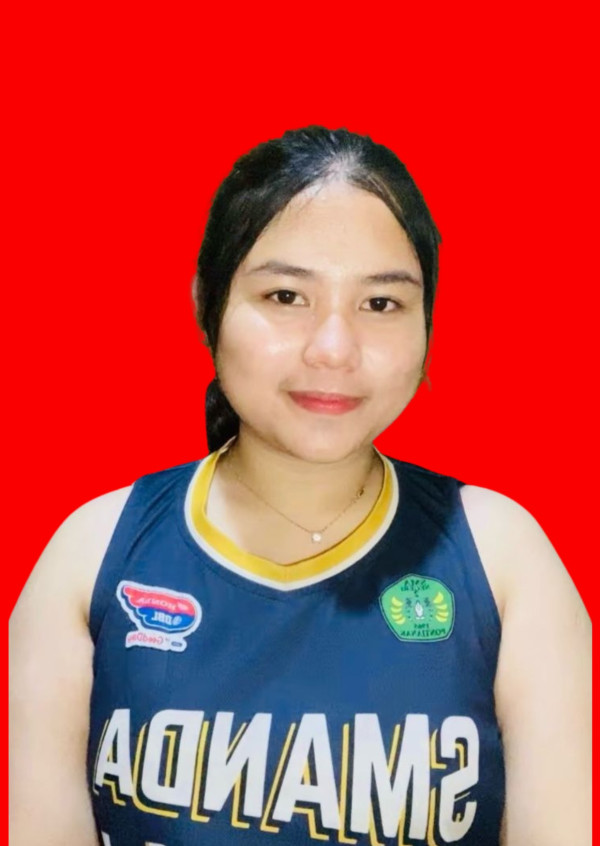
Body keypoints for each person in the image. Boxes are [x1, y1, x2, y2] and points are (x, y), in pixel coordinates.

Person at [9, 126, 591, 846]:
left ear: (427, 324)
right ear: (207, 304)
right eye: (286, 295)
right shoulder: (92, 557)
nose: (333, 349)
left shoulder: (503, 562)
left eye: (381, 304)